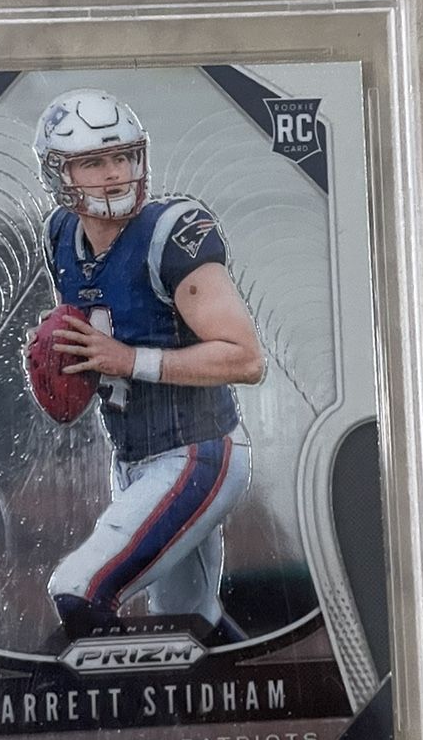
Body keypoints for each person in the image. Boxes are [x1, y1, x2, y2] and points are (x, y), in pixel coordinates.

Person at [32, 89, 264, 641]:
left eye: (122, 156)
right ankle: (258, 681)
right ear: (59, 174)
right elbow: (95, 326)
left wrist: (130, 359)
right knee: (190, 625)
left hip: (196, 452)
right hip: (132, 458)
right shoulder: (61, 234)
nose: (114, 173)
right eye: (94, 162)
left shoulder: (170, 233)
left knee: (81, 587)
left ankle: (72, 694)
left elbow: (246, 358)